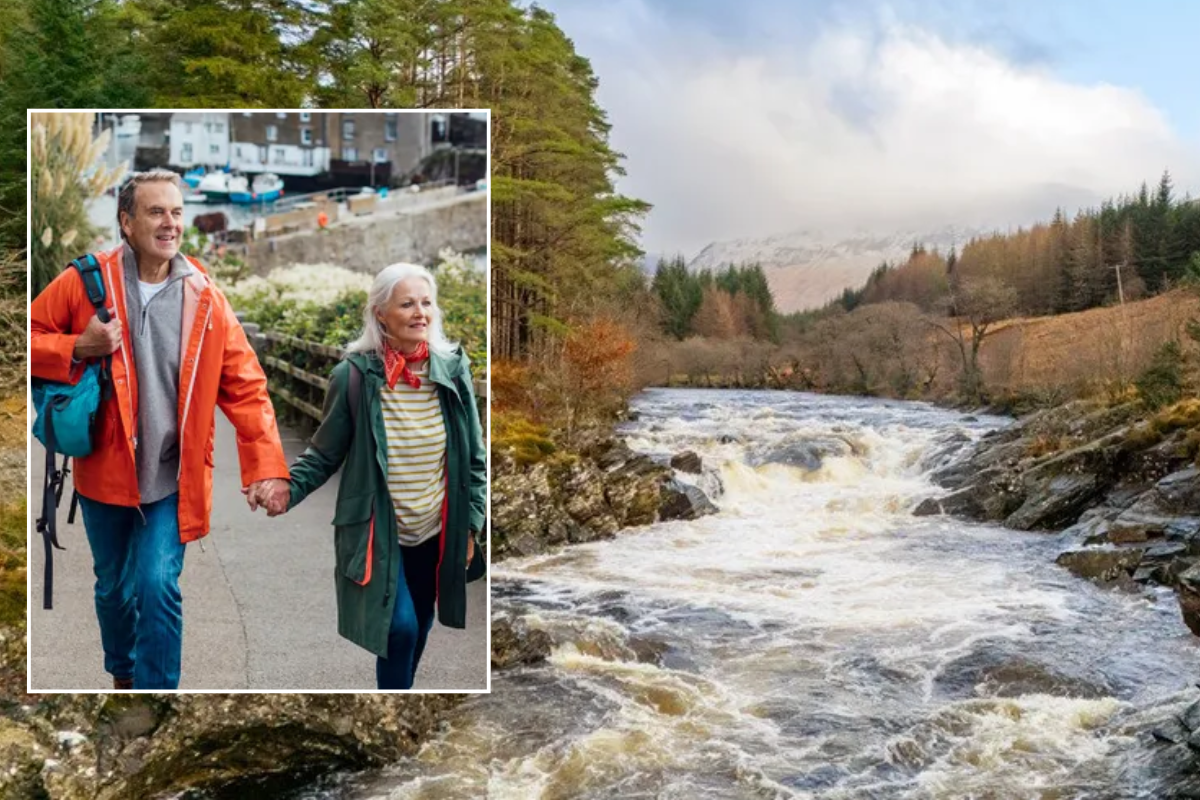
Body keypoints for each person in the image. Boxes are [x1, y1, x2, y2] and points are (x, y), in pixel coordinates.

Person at [30, 169, 289, 690]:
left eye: (176, 212)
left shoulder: (206, 299)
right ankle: (123, 677)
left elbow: (246, 386)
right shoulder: (85, 282)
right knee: (113, 589)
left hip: (174, 477)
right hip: (103, 472)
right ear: (126, 221)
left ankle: (157, 694)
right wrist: (77, 347)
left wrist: (268, 471)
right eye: (155, 212)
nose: (169, 223)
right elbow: (26, 338)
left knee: (157, 585)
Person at [254, 263, 485, 690]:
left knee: (420, 623)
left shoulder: (452, 371)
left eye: (426, 302)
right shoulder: (355, 377)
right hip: (379, 532)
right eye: (407, 304)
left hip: (436, 529)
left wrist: (470, 526)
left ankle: (399, 694)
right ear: (381, 313)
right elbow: (324, 452)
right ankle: (394, 698)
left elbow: (474, 457)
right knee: (399, 629)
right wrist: (288, 488)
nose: (421, 312)